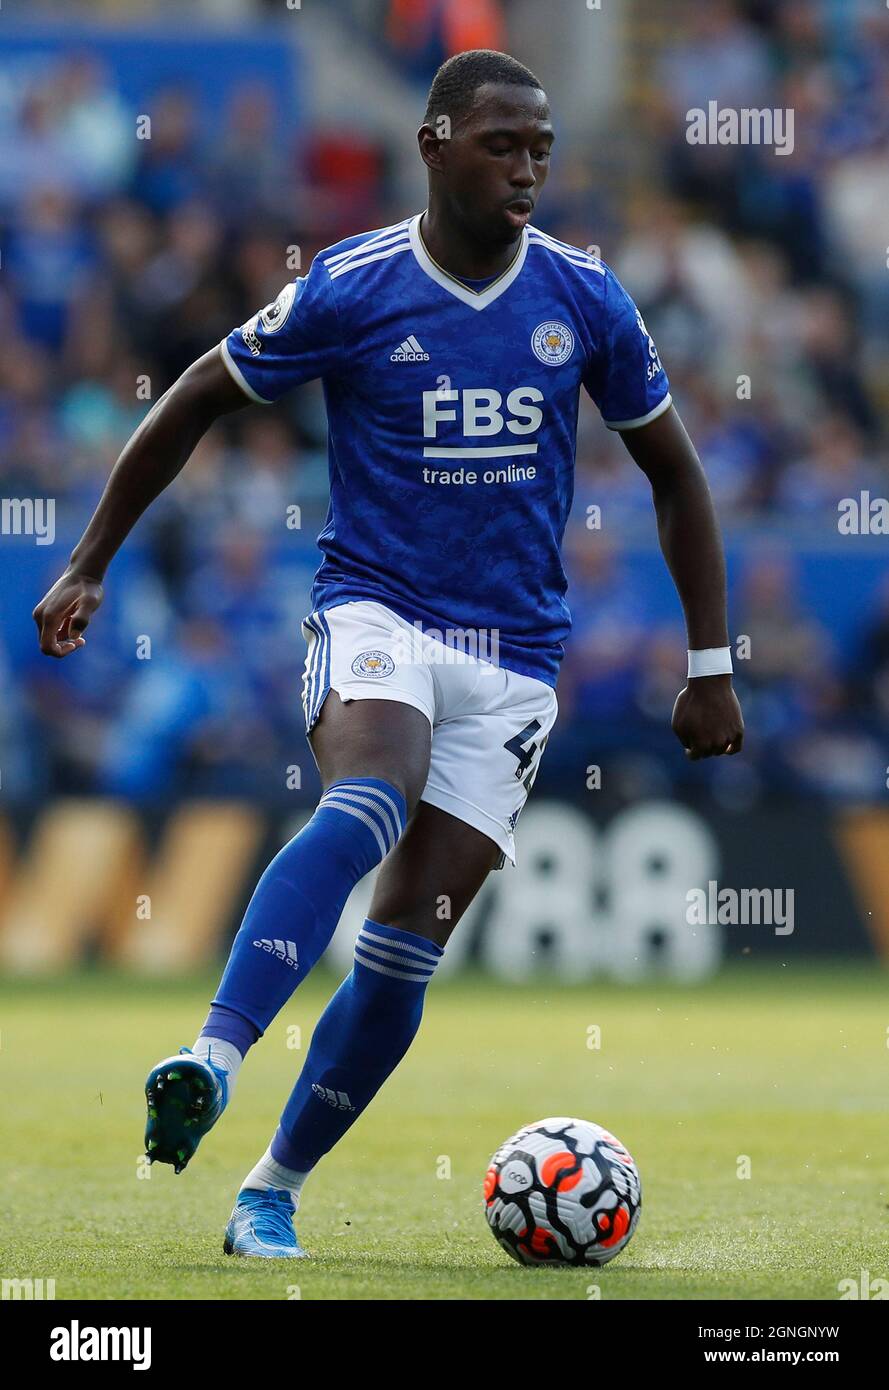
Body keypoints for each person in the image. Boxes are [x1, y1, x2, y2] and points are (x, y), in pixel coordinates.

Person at [33, 50, 743, 1259]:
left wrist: (713, 659)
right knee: (369, 792)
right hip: (378, 613)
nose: (524, 169)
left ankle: (269, 1190)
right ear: (433, 143)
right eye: (500, 145)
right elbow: (197, 393)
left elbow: (673, 471)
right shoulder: (354, 286)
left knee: (405, 948)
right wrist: (93, 556)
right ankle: (211, 1051)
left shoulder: (583, 298)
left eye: (540, 151)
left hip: (516, 658)